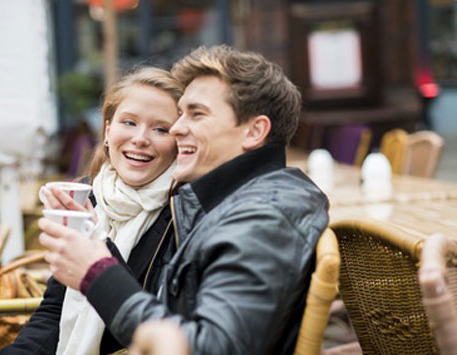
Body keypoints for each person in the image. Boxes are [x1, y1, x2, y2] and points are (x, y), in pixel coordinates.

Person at [37, 45, 329, 355]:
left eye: (196, 114)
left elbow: (211, 347)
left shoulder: (264, 218)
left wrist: (97, 272)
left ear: (254, 131)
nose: (176, 129)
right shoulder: (223, 203)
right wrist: (96, 243)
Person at [0, 67, 183, 354]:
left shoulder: (181, 214)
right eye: (129, 122)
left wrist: (96, 245)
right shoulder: (91, 194)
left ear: (178, 142)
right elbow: (55, 311)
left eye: (160, 128)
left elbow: (148, 327)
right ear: (108, 131)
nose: (141, 138)